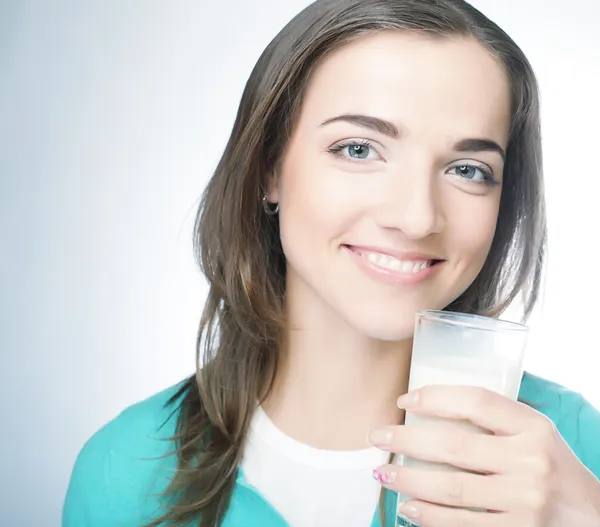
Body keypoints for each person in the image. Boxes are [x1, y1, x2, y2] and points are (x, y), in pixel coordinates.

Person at [63, 0, 600, 526]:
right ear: (269, 168)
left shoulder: (572, 452)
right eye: (359, 149)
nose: (416, 218)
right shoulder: (127, 472)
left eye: (467, 169)